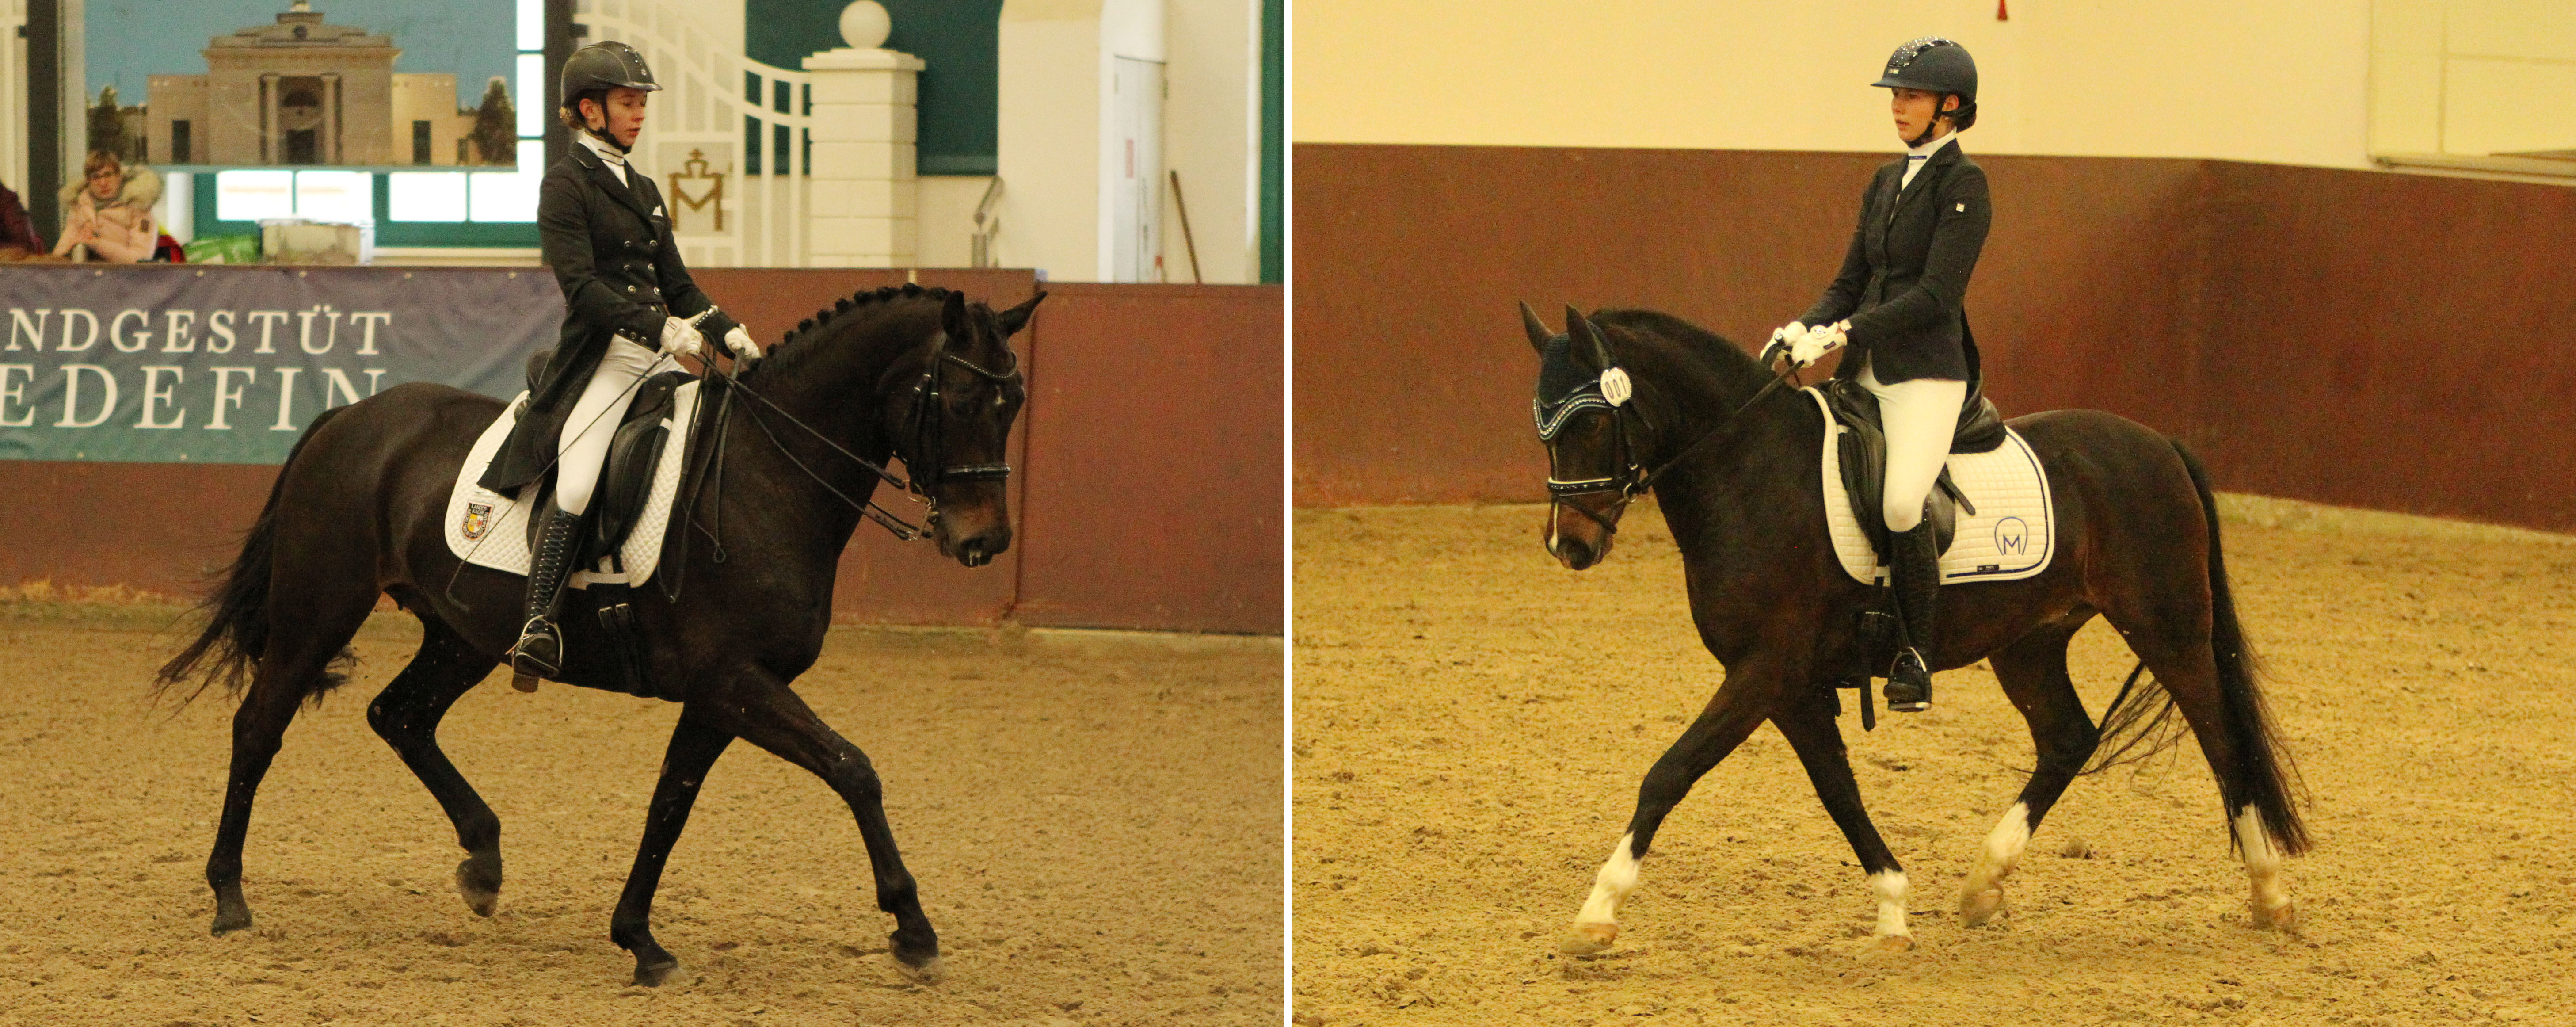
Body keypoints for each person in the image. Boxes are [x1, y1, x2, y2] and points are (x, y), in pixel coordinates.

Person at [477, 40, 765, 683]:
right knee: (578, 482)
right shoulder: (565, 185)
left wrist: (726, 331)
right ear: (590, 109)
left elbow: (679, 284)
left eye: (641, 104)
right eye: (628, 104)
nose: (639, 115)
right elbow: (583, 288)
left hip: (662, 352)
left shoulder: (644, 188)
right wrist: (660, 327)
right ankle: (539, 623)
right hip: (603, 357)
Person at [1770, 37, 1989, 714]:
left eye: (1912, 95)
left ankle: (1915, 653)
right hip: (1865, 370)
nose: (1898, 106)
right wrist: (1801, 328)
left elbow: (1934, 296)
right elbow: (1850, 280)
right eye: (1895, 94)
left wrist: (1848, 332)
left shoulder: (1964, 185)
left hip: (1926, 375)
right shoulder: (1885, 182)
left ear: (1949, 108)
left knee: (1899, 503)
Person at [52, 150, 159, 262]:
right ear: (88, 181)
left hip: (124, 277)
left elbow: (141, 259)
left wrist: (97, 244)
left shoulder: (140, 208)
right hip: (85, 277)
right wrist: (76, 243)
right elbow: (60, 254)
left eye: (108, 175)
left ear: (119, 177)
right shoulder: (80, 206)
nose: (103, 183)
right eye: (96, 177)